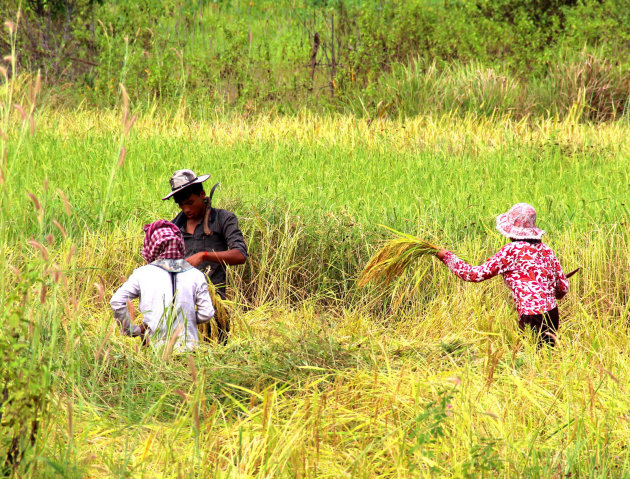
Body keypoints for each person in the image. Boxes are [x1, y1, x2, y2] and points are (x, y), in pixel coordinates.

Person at [435, 203, 569, 346]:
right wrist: (556, 293)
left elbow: (474, 275)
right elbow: (563, 287)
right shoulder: (546, 250)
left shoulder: (512, 250)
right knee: (545, 359)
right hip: (552, 314)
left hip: (532, 316)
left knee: (529, 361)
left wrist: (446, 256)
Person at [162, 169, 248, 343]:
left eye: (190, 203)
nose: (186, 209)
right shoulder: (173, 227)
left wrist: (204, 255)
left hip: (214, 307)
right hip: (182, 307)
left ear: (202, 194)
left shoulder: (223, 219)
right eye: (181, 205)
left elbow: (240, 255)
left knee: (216, 351)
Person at [110, 220, 215, 351]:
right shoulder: (196, 275)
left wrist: (132, 330)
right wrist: (186, 318)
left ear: (151, 246)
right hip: (189, 351)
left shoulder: (142, 274)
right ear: (180, 245)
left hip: (155, 350)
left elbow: (116, 302)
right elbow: (207, 313)